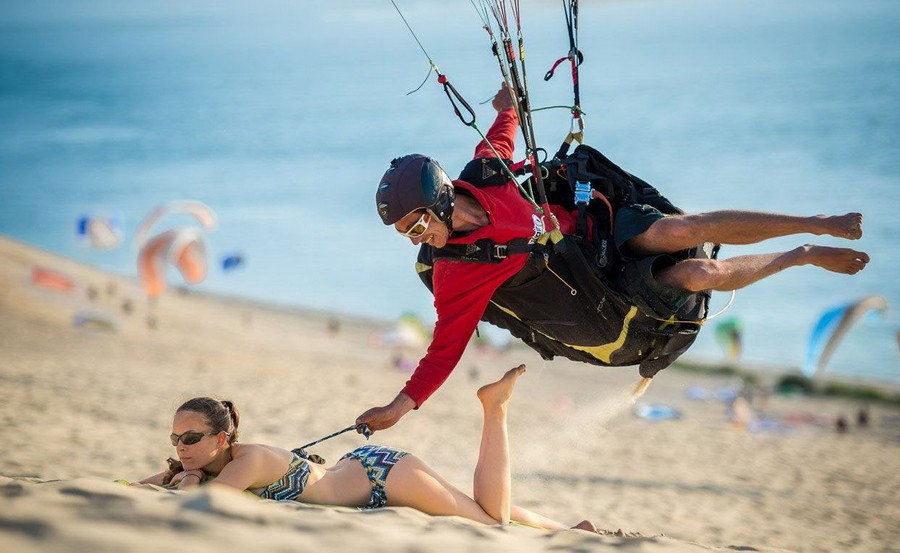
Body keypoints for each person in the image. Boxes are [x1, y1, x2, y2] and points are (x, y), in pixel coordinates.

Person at [358, 83, 870, 433]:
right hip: (598, 292)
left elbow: (506, 122)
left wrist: (505, 103)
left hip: (597, 233)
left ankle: (817, 222)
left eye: (417, 223)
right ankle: (802, 254)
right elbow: (442, 352)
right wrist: (398, 407)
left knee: (685, 230)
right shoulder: (456, 274)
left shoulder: (487, 170)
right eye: (406, 232)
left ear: (444, 196)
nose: (415, 237)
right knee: (699, 272)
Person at [135, 366, 597, 531]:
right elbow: (140, 488)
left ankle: (493, 409)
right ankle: (571, 531)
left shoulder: (246, 460)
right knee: (477, 506)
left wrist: (190, 477)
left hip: (382, 477)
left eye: (190, 439)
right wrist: (175, 474)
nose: (182, 447)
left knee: (490, 522)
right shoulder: (209, 462)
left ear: (221, 439)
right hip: (360, 469)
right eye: (176, 439)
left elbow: (206, 500)